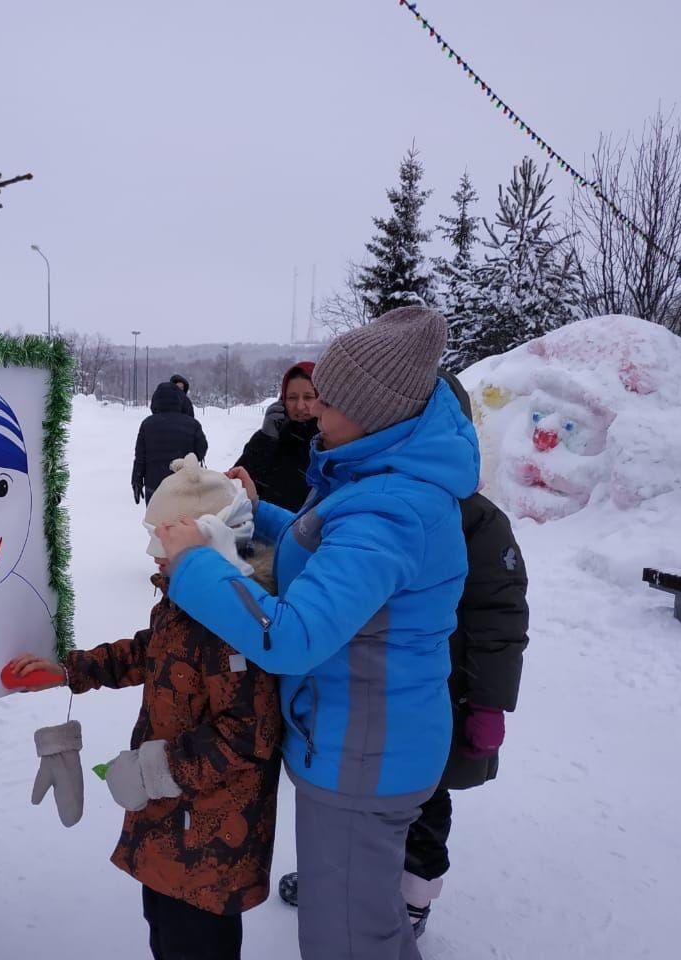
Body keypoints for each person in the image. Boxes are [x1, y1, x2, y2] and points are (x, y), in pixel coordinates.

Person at [152, 306, 480, 960]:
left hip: (364, 760)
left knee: (350, 943)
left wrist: (192, 564)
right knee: (363, 926)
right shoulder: (378, 473)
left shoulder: (391, 507)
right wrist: (254, 513)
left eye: (328, 402)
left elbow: (294, 635)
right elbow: (327, 547)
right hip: (361, 742)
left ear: (372, 410)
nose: (314, 414)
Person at [276, 369, 530, 939]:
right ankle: (361, 890)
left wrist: (489, 704)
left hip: (444, 688)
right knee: (376, 825)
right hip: (391, 688)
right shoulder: (373, 493)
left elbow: (501, 618)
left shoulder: (470, 519)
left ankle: (413, 895)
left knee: (425, 806)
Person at [9, 457, 282, 960]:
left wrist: (154, 768)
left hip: (210, 841)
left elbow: (249, 733)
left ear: (208, 539)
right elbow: (149, 649)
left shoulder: (237, 618)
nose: (154, 554)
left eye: (165, 540)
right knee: (164, 929)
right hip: (172, 827)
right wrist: (70, 670)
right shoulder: (190, 597)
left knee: (194, 945)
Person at [233, 361, 319, 512]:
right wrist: (265, 439)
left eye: (308, 397)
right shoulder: (270, 438)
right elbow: (236, 485)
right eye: (292, 398)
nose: (299, 406)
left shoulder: (330, 442)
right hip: (259, 531)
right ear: (282, 401)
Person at [132, 380, 209, 504]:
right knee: (183, 521)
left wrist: (136, 479)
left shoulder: (147, 424)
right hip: (184, 484)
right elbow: (202, 450)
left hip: (154, 488)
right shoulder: (192, 424)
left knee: (156, 522)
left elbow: (140, 457)